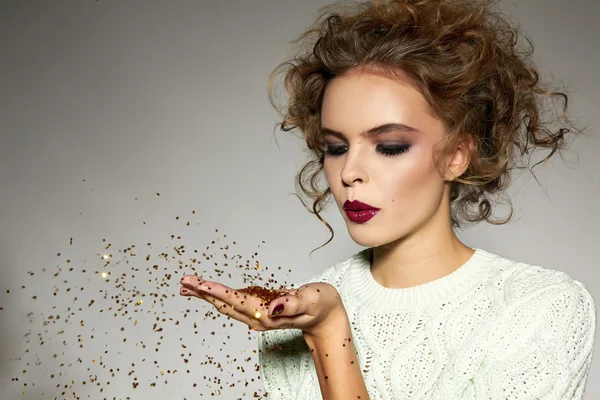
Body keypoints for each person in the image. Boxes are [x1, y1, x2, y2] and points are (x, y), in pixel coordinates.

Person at [179, 0, 596, 398]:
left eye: (390, 146)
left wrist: (329, 334)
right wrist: (321, 322)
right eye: (336, 147)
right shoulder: (302, 307)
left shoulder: (539, 309)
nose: (348, 173)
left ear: (456, 155)